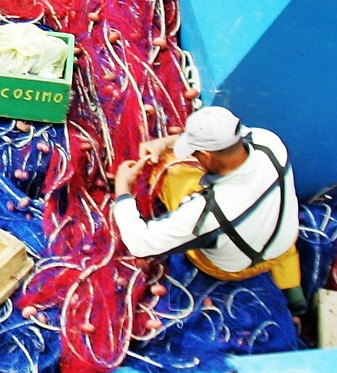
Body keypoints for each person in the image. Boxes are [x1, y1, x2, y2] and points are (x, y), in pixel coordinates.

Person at [109, 106, 305, 312]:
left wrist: (123, 189)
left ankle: (269, 280)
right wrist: (164, 143)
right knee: (268, 215)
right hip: (283, 245)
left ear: (206, 155)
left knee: (171, 172)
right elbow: (236, 138)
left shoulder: (206, 213)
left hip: (232, 268)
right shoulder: (270, 143)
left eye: (195, 153)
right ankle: (293, 289)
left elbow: (140, 244)